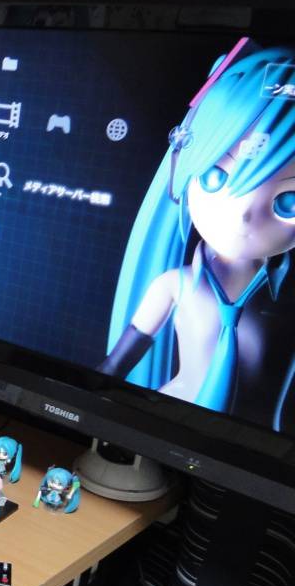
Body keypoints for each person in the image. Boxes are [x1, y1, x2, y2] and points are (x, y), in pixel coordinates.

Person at [100, 39, 295, 431]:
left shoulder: (286, 306)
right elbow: (111, 370)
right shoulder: (173, 285)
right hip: (159, 425)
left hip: (247, 451)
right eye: (215, 177)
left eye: (287, 200)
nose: (243, 213)